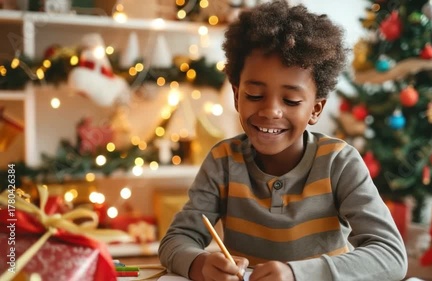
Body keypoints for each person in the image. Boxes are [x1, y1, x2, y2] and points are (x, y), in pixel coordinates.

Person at [158, 1, 408, 280]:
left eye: (290, 100)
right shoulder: (224, 162)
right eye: (254, 95)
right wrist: (201, 264)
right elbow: (175, 241)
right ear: (236, 95)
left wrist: (296, 274)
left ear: (315, 109)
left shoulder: (339, 163)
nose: (270, 111)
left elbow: (390, 255)